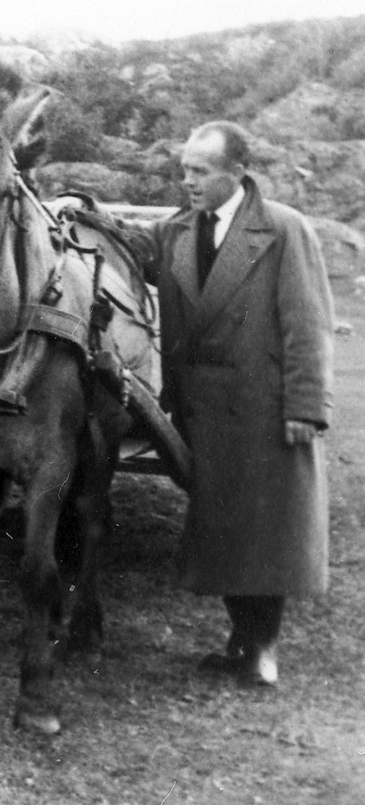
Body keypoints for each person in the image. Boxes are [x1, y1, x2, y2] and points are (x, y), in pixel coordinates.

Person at [147, 121, 334, 687]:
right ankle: (242, 641)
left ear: (238, 174)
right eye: (184, 170)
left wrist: (306, 406)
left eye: (201, 172)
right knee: (222, 530)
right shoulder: (174, 231)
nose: (188, 181)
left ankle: (261, 649)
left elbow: (309, 324)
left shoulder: (284, 229)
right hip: (203, 411)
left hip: (265, 408)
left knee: (268, 532)